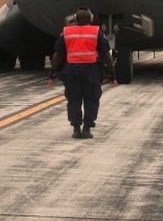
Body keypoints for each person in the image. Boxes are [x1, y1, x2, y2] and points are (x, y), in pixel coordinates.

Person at [49, 8, 115, 139]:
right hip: (91, 72)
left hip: (72, 72)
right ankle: (87, 128)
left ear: (75, 19)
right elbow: (106, 54)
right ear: (90, 18)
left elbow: (58, 54)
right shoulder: (96, 32)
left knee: (74, 100)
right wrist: (112, 73)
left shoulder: (66, 32)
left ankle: (75, 128)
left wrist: (53, 72)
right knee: (91, 100)